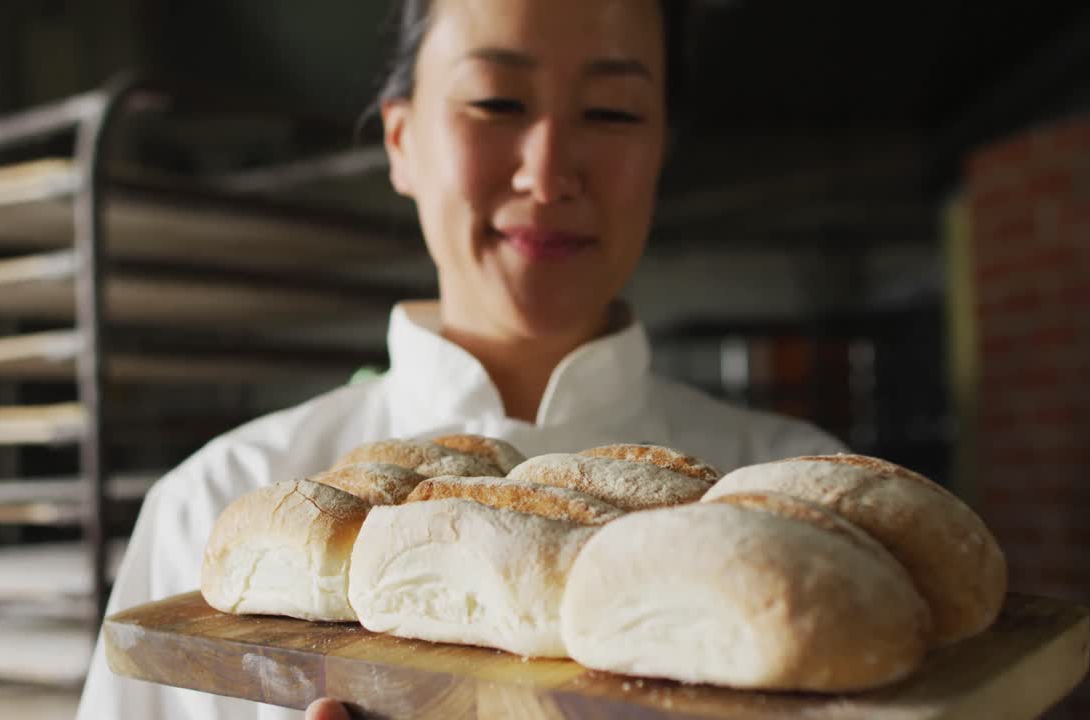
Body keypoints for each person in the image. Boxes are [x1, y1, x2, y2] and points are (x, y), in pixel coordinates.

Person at [76, 0, 846, 718]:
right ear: (401, 141)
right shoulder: (216, 509)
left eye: (612, 112)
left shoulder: (803, 504)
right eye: (496, 103)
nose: (547, 175)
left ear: (660, 152)